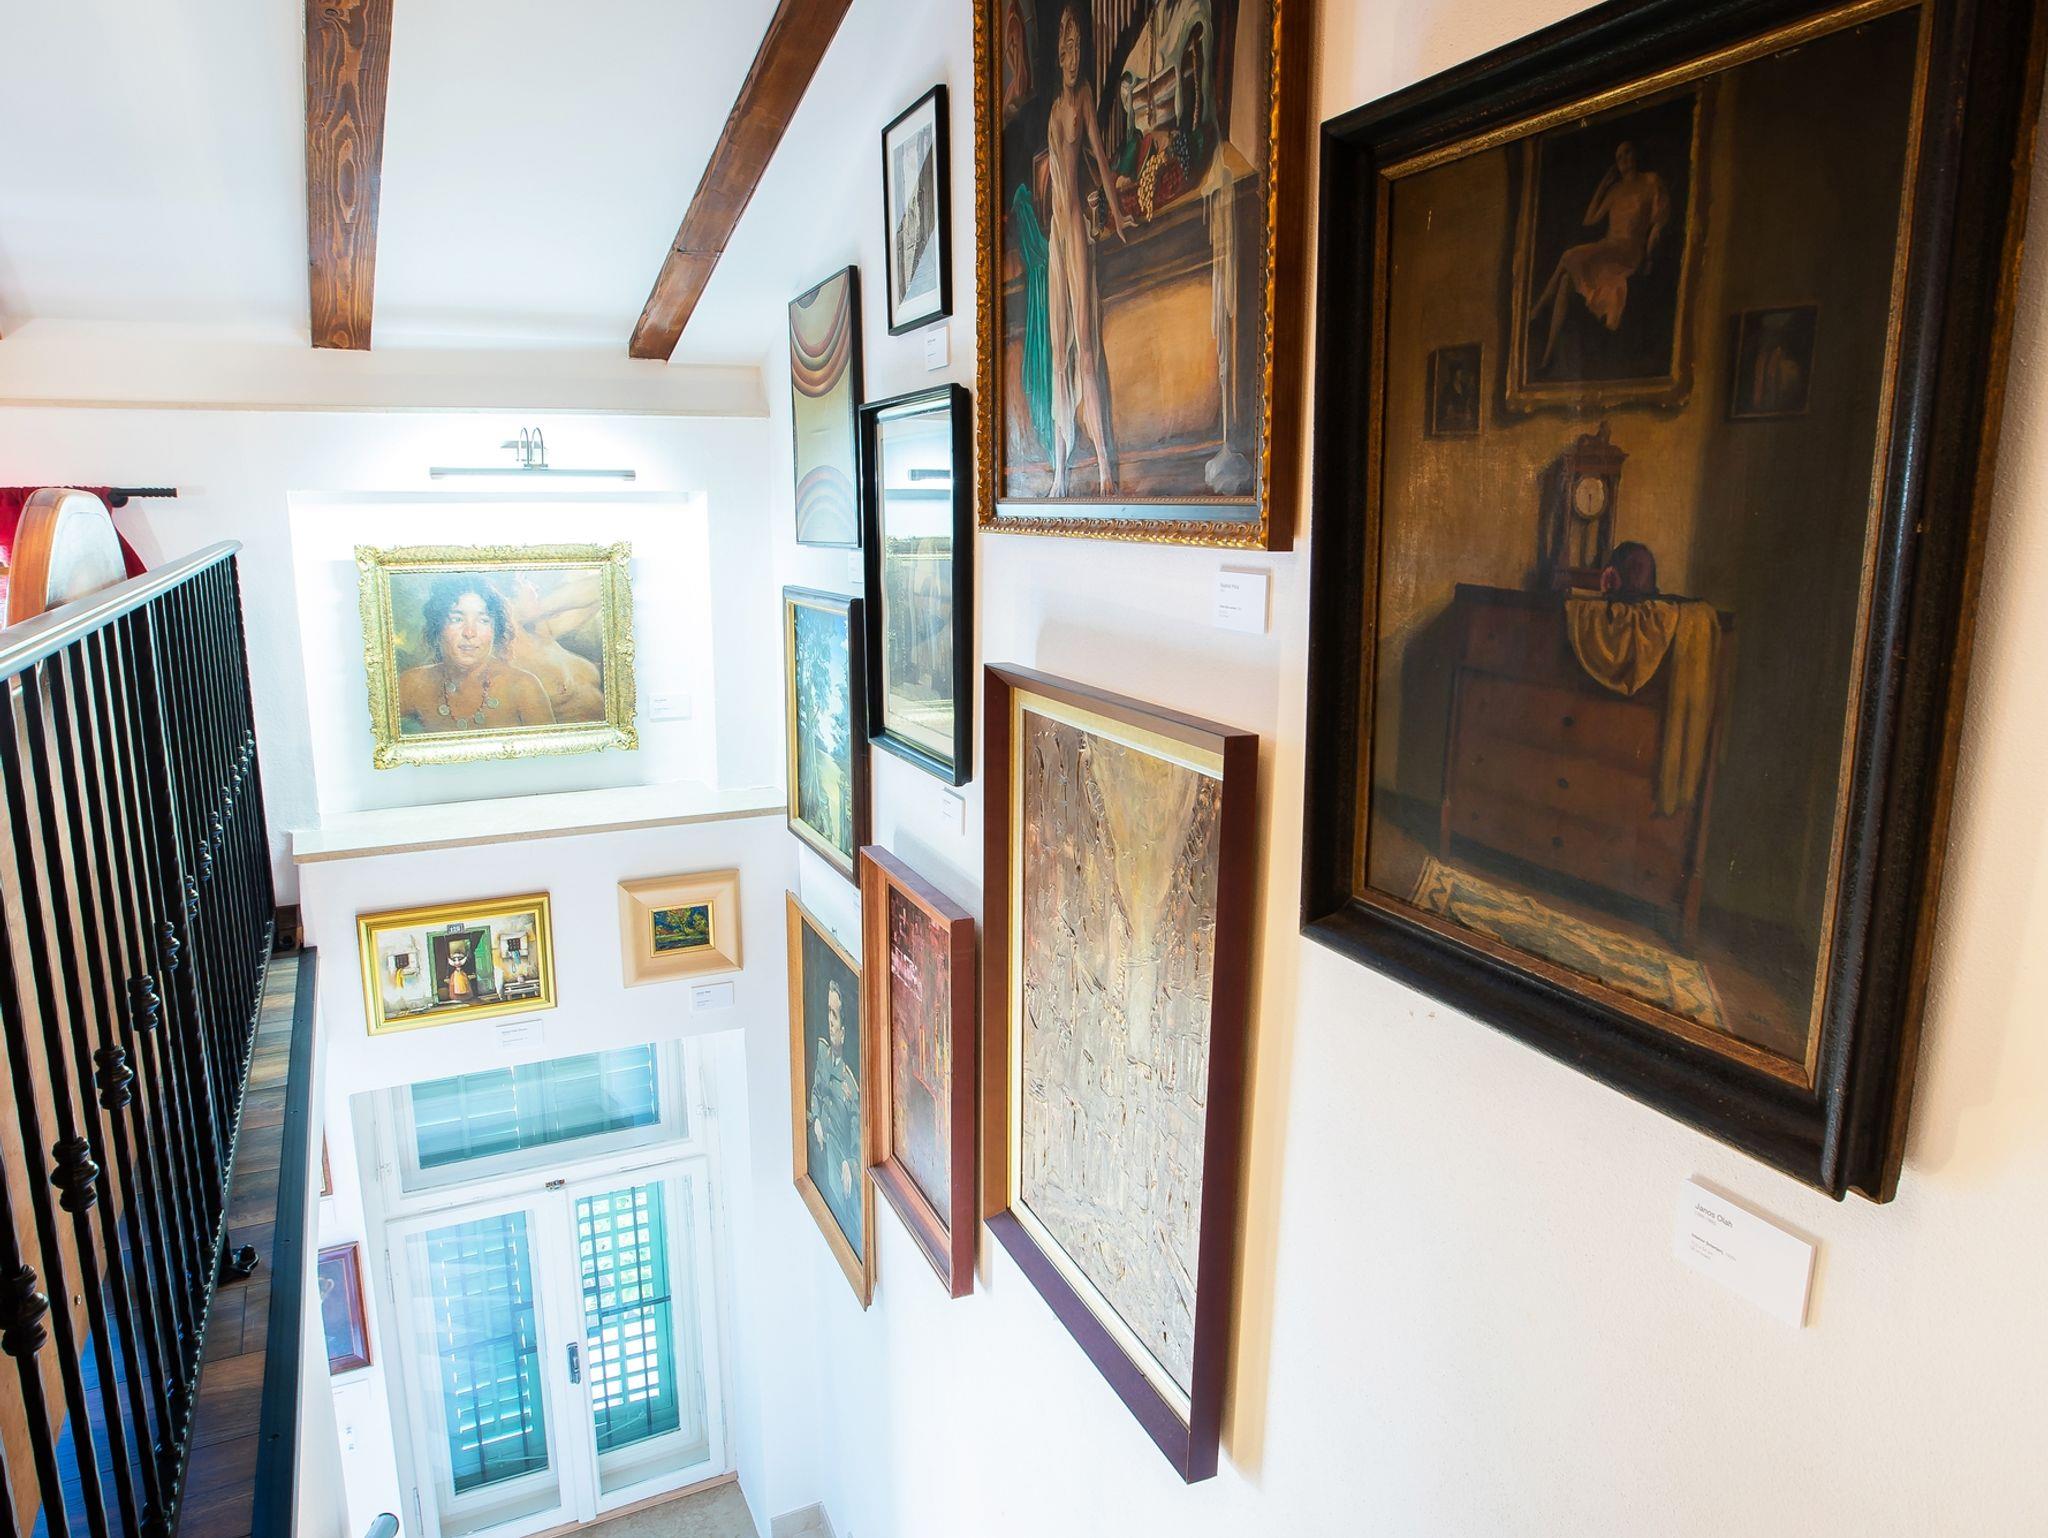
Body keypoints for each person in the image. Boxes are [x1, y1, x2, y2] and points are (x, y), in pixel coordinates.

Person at [1044, 4, 1128, 496]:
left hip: (1075, 226)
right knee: (1058, 353)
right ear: (1060, 54)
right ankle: (1059, 471)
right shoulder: (1053, 110)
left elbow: (1098, 158)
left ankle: (1103, 465)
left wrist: (1117, 215)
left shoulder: (1082, 102)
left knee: (1086, 347)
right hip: (1054, 234)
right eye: (1068, 48)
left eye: (1079, 48)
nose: (1074, 58)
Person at [1531, 139, 1671, 370]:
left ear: (1635, 154)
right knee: (1565, 281)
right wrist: (1603, 186)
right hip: (1608, 249)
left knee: (1567, 256)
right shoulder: (1615, 190)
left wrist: (1649, 256)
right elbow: (1590, 220)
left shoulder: (1650, 181)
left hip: (1628, 251)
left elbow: (1658, 224)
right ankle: (1548, 356)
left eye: (1627, 152)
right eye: (1619, 157)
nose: (1624, 159)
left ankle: (1539, 307)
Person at [396, 577, 555, 735]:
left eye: (483, 620)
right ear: (438, 627)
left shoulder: (524, 687)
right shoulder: (411, 683)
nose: (469, 633)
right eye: (457, 619)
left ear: (495, 630)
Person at [809, 979, 861, 1210]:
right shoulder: (822, 1053)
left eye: (835, 1015)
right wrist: (816, 1118)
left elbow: (858, 1142)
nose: (830, 1021)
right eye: (828, 1012)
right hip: (821, 1163)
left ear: (844, 1032)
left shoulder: (850, 1084)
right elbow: (816, 1092)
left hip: (839, 1185)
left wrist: (851, 1165)